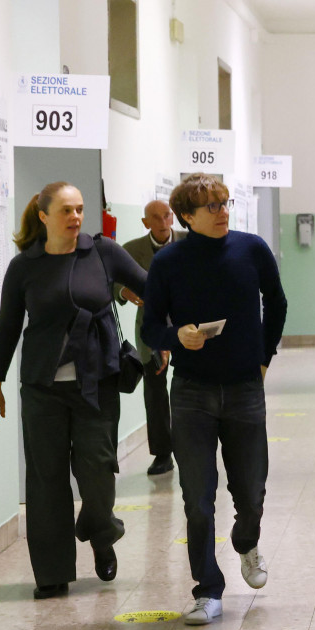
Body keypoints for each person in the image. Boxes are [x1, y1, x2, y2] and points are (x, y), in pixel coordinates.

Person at [0, 182, 147, 600]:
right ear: (43, 216)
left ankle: (100, 531)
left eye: (79, 210)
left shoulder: (103, 253)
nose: (76, 218)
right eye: (66, 211)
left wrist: (170, 324)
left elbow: (152, 287)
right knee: (45, 480)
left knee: (97, 472)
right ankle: (52, 574)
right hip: (42, 388)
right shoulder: (25, 267)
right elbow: (7, 327)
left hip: (96, 385)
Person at [141, 173, 287, 625]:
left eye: (225, 203)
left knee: (252, 492)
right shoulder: (169, 262)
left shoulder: (252, 249)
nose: (224, 212)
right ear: (187, 215)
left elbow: (277, 304)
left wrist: (263, 359)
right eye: (212, 206)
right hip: (191, 393)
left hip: (245, 389)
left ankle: (246, 542)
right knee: (197, 499)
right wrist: (176, 336)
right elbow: (149, 328)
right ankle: (208, 590)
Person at [116, 200, 185, 476]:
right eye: (155, 218)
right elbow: (112, 281)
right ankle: (162, 454)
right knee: (155, 393)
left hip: (187, 328)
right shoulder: (131, 250)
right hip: (150, 330)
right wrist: (124, 292)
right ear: (145, 223)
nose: (162, 222)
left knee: (188, 388)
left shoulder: (189, 243)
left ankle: (192, 446)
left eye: (167, 215)